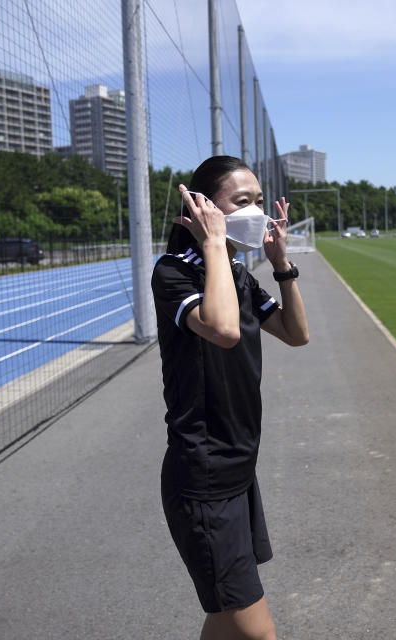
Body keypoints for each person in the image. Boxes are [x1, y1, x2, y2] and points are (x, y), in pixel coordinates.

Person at [152, 155, 309, 640]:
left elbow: (294, 332)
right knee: (258, 632)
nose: (257, 212)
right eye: (242, 202)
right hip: (203, 475)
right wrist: (216, 244)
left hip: (239, 467)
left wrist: (281, 264)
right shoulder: (174, 272)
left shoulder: (238, 275)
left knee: (225, 617)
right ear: (202, 208)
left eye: (260, 202)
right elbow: (221, 329)